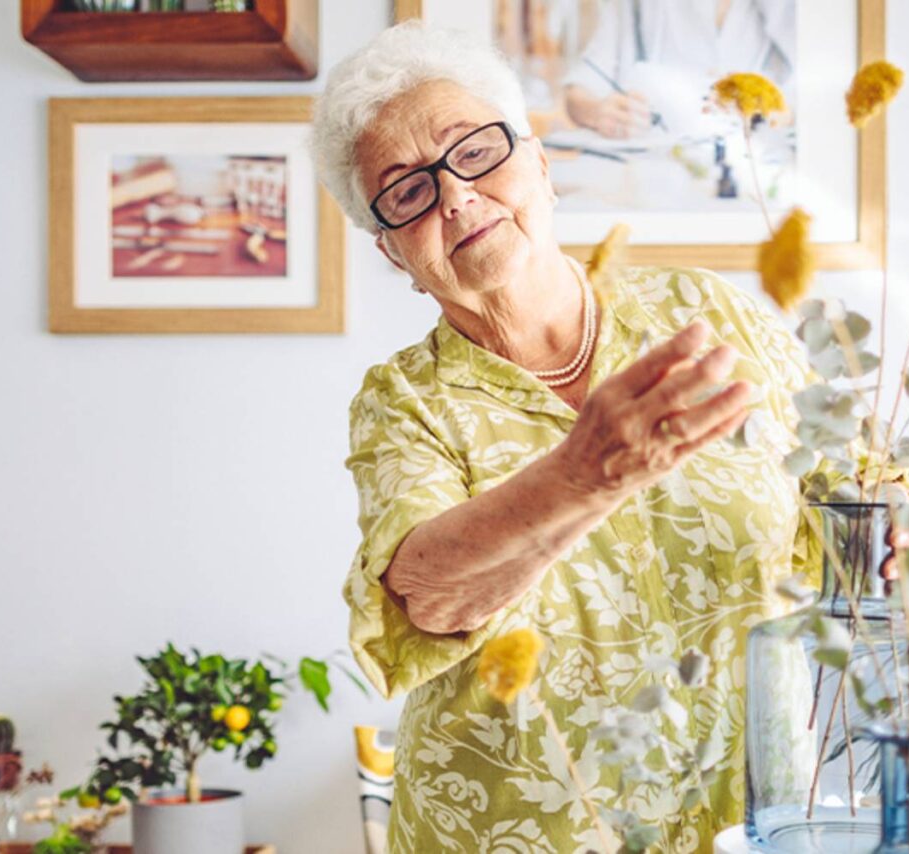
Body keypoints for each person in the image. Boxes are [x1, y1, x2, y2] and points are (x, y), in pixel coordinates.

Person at [310, 22, 822, 852]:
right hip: (520, 830)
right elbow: (429, 594)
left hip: (750, 816)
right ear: (394, 253)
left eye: (472, 150)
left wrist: (890, 540)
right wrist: (585, 475)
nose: (454, 197)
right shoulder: (403, 402)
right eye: (406, 191)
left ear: (539, 161)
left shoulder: (705, 312)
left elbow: (842, 494)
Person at [563, 0, 796, 139]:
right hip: (660, 180)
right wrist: (598, 111)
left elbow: (818, 86)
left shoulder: (792, 10)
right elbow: (580, 88)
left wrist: (781, 112)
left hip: (765, 178)